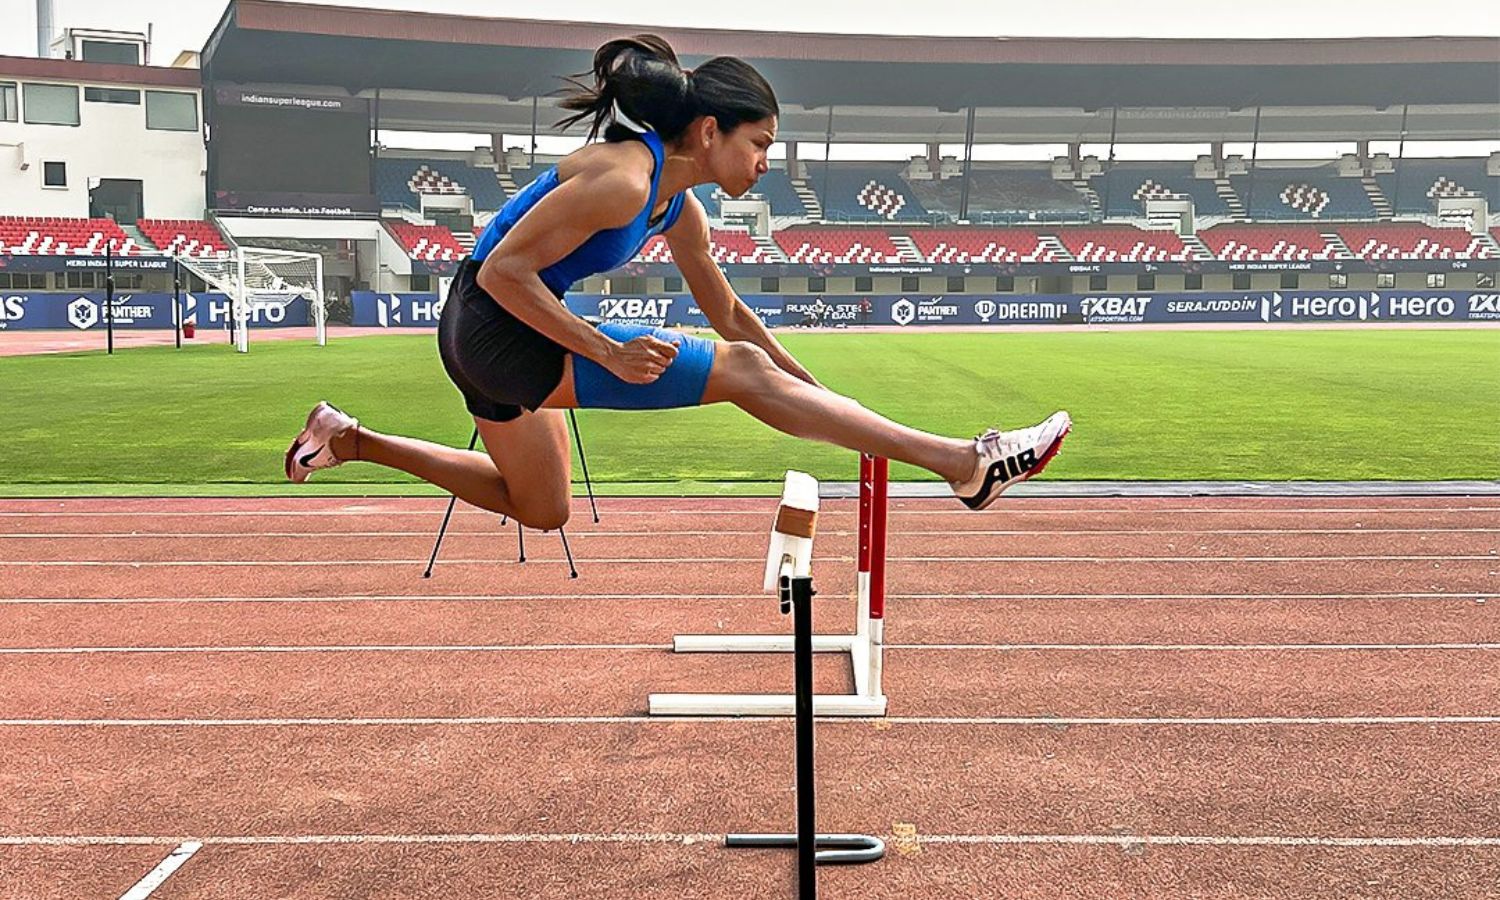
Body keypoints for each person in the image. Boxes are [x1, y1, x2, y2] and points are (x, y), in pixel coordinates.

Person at [285, 35, 1069, 526]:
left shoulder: (675, 207)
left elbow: (726, 311)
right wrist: (610, 352)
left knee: (543, 509)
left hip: (488, 335)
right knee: (743, 377)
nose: (766, 163)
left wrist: (814, 389)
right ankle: (966, 464)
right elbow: (501, 272)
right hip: (496, 325)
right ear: (707, 131)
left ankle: (351, 440)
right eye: (759, 143)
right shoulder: (625, 181)